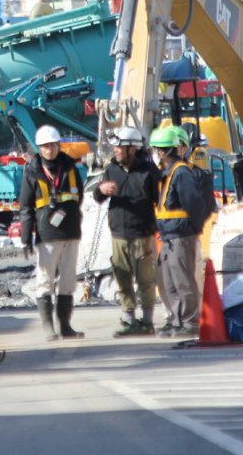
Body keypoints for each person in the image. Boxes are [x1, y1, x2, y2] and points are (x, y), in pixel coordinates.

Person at [18, 125, 85, 341]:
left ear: (58, 145)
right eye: (45, 146)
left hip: (71, 232)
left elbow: (79, 196)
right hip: (47, 235)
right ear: (39, 148)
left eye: (53, 145)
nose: (50, 150)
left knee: (67, 281)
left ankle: (65, 326)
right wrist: (26, 237)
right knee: (45, 280)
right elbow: (26, 207)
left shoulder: (71, 169)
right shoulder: (32, 171)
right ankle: (49, 328)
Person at [93, 126, 159, 336]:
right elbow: (98, 197)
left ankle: (147, 322)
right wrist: (100, 190)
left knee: (145, 280)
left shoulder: (150, 172)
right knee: (122, 278)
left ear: (133, 149)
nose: (116, 151)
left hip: (143, 236)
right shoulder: (111, 169)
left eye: (120, 147)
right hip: (119, 235)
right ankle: (129, 319)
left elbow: (161, 200)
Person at [149, 125, 206, 338]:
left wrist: (191, 229)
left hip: (181, 236)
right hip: (169, 236)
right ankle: (176, 320)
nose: (157, 154)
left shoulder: (181, 172)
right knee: (170, 282)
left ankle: (190, 322)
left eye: (159, 150)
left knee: (183, 280)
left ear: (167, 151)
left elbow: (194, 204)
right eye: (156, 150)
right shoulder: (168, 173)